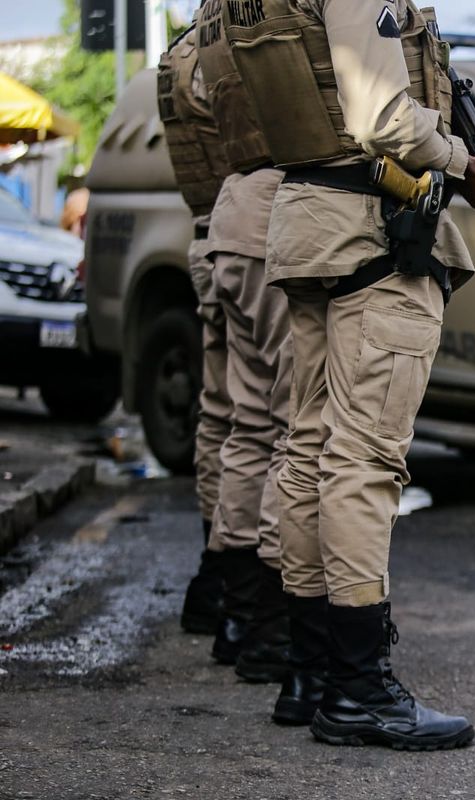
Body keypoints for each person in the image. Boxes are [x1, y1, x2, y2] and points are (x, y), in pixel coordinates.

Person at [223, 0, 475, 750]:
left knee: (309, 447)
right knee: (362, 461)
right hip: (374, 227)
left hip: (310, 216)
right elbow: (383, 119)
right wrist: (464, 162)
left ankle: (312, 674)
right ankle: (359, 690)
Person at [194, 0, 293, 685]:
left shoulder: (213, 16)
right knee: (296, 427)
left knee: (248, 422)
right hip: (281, 214)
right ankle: (269, 627)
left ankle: (238, 613)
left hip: (228, 214)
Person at [156, 26, 234, 638]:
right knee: (259, 422)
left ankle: (217, 576)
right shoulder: (226, 43)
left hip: (209, 232)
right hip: (240, 236)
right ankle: (232, 580)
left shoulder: (179, 50)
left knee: (222, 414)